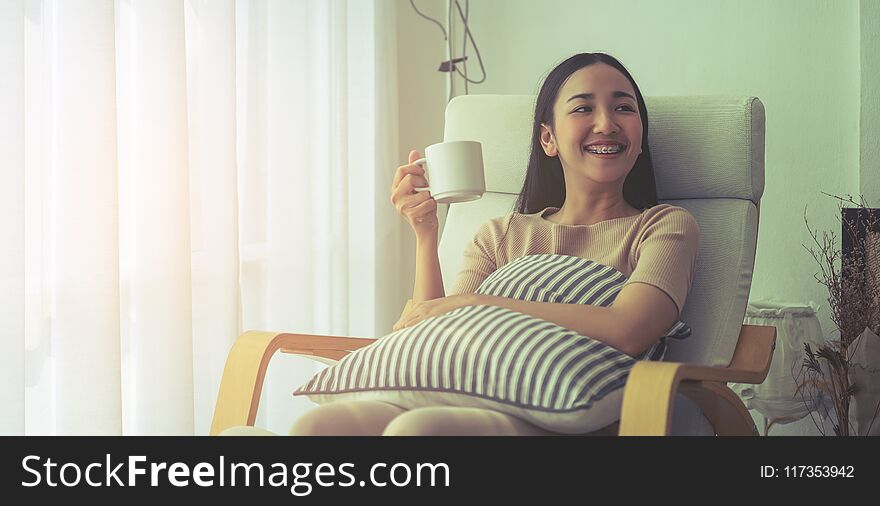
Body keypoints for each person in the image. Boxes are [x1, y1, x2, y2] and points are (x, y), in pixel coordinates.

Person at [285, 52, 699, 436]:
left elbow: (629, 330)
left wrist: (477, 303)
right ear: (548, 139)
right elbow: (435, 329)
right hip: (470, 390)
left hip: (564, 416)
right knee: (320, 426)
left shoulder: (663, 227)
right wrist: (426, 234)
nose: (607, 122)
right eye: (583, 107)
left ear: (640, 136)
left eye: (624, 107)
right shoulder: (501, 234)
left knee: (416, 433)